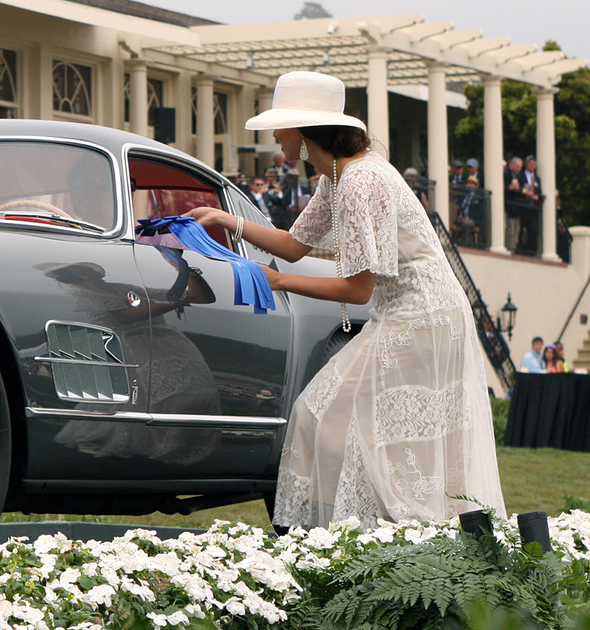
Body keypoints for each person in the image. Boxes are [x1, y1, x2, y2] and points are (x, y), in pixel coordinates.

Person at [186, 70, 504, 529]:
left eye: (280, 124)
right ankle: (365, 541)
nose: (274, 133)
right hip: (408, 313)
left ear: (303, 129)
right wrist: (225, 219)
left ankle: (343, 541)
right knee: (341, 422)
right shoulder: (337, 177)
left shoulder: (359, 181)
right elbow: (295, 245)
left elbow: (358, 289)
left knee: (325, 415)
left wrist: (278, 283)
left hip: (423, 315)